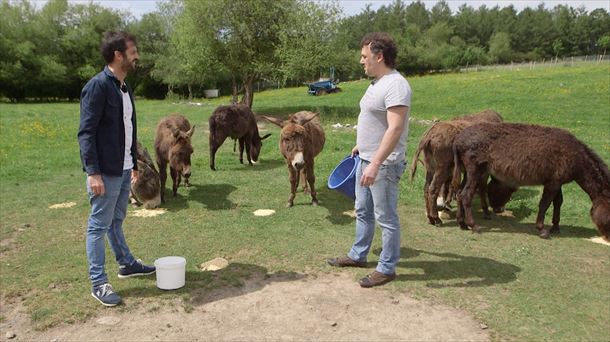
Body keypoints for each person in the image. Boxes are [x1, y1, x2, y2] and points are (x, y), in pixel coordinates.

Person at [328, 32, 411, 288]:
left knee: (386, 217)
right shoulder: (376, 82)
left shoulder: (396, 85)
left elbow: (395, 129)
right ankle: (358, 255)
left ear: (379, 56)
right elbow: (375, 120)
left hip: (384, 165)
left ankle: (386, 268)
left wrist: (375, 163)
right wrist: (361, 146)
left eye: (364, 57)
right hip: (365, 158)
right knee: (363, 211)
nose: (361, 62)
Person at [78, 31, 155, 306]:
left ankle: (126, 264)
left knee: (116, 221)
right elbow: (86, 133)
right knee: (98, 226)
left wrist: (133, 164)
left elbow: (127, 128)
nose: (137, 56)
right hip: (105, 172)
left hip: (123, 169)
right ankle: (98, 283)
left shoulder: (123, 87)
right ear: (118, 55)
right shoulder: (98, 86)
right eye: (133, 51)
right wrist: (93, 172)